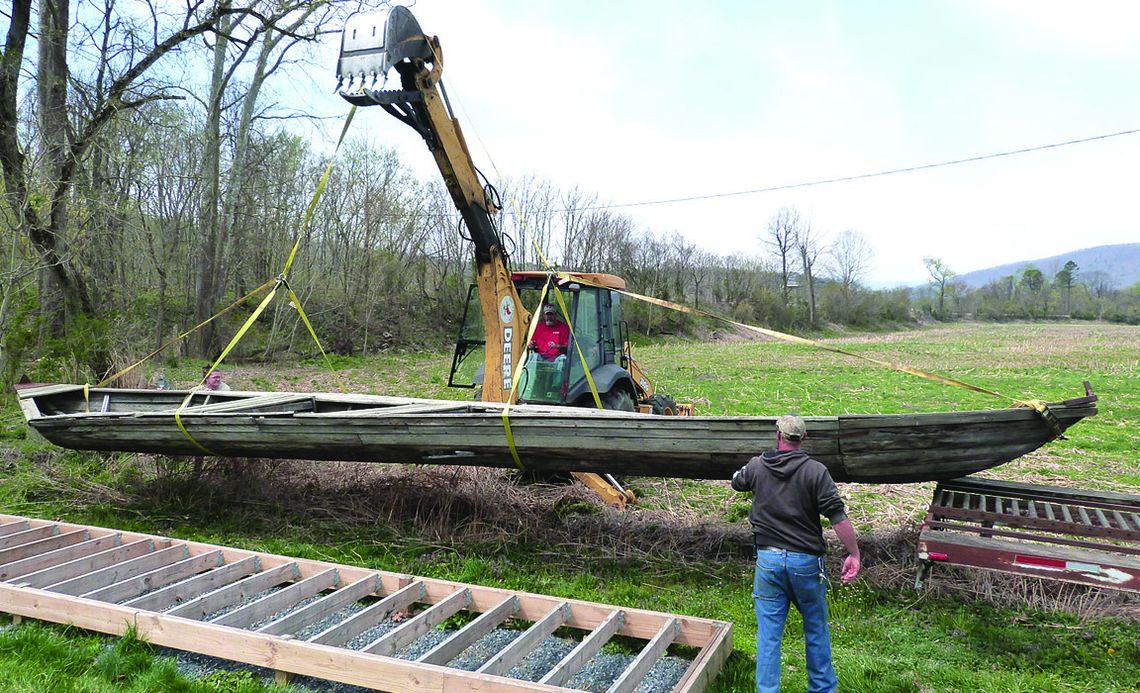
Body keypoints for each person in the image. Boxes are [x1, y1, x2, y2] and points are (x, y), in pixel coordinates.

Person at [731, 413, 860, 693]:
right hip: (806, 564)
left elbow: (737, 481)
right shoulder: (816, 472)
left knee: (768, 637)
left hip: (768, 562)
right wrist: (854, 553)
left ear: (777, 435)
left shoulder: (757, 466)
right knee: (815, 630)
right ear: (803, 438)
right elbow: (837, 517)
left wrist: (746, 472)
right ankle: (822, 689)